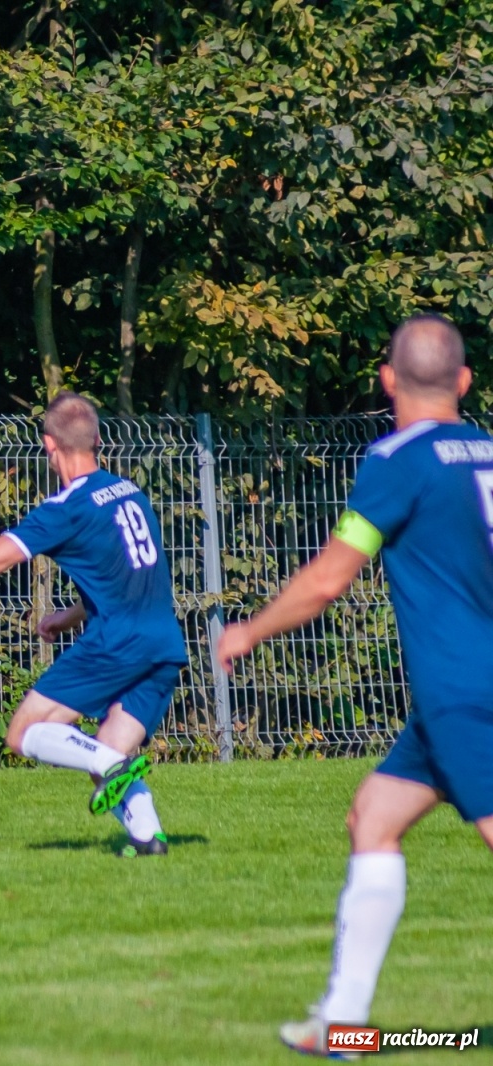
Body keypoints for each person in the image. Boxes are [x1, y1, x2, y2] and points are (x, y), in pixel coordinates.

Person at [217, 315, 493, 1059]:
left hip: (466, 691)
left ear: (388, 382)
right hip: (452, 702)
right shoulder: (488, 453)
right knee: (372, 817)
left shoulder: (397, 458)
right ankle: (344, 1023)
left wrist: (248, 631)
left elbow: (333, 575)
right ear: (464, 383)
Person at [0, 391, 187, 856]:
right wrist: (67, 616)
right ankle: (148, 837)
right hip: (163, 642)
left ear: (49, 445)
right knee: (101, 752)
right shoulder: (130, 491)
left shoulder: (67, 508)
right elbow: (129, 578)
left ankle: (115, 765)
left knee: (24, 734)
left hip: (117, 642)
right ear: (97, 438)